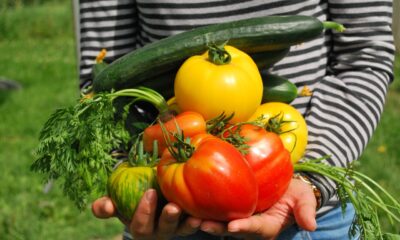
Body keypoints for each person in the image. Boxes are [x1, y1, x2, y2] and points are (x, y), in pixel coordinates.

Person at [77, 1, 395, 239]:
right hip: (167, 201)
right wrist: (127, 175)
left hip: (308, 214)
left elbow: (365, 56)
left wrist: (311, 180)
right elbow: (103, 80)